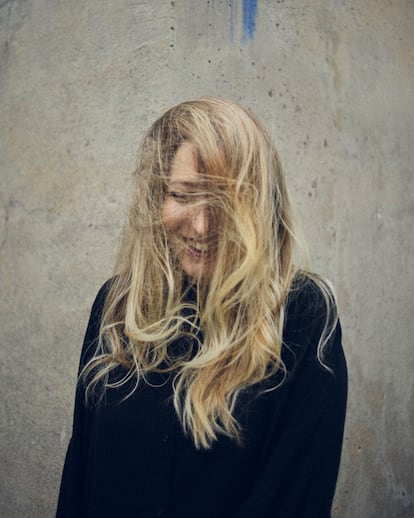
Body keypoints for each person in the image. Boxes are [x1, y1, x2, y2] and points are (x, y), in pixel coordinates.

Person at [56, 97, 347, 518]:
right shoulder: (119, 306)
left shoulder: (302, 317)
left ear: (258, 205)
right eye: (182, 195)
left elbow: (294, 501)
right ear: (157, 199)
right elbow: (79, 476)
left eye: (224, 201)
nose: (201, 225)